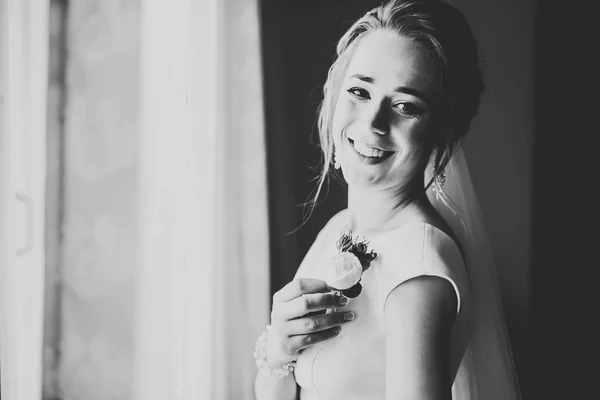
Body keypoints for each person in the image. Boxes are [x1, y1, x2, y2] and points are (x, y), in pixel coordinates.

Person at [254, 1, 522, 399]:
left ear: (441, 134)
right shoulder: (340, 228)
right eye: (360, 91)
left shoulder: (419, 273)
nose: (373, 123)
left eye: (405, 106)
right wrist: (280, 348)